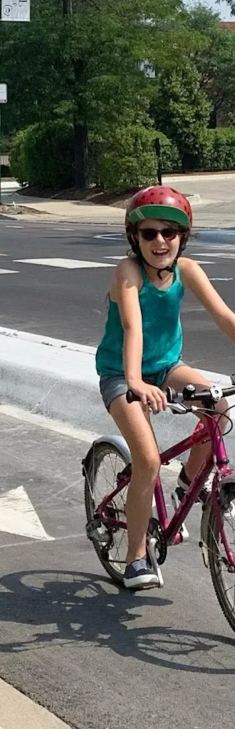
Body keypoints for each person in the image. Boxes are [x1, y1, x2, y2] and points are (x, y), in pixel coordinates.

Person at [95, 185, 235, 590]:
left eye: (169, 233)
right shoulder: (128, 272)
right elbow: (131, 326)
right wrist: (135, 382)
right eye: (149, 233)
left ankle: (188, 484)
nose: (160, 241)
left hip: (168, 366)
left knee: (218, 407)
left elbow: (225, 317)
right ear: (134, 238)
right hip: (122, 373)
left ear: (182, 237)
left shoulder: (187, 271)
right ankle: (137, 557)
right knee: (148, 459)